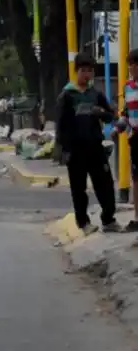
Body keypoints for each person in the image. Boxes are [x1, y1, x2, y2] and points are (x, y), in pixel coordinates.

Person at [56, 52, 120, 234]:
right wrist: (64, 149)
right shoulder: (67, 96)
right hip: (75, 150)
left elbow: (110, 117)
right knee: (79, 189)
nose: (87, 75)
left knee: (105, 185)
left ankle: (108, 219)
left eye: (90, 71)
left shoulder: (95, 95)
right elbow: (61, 126)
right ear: (77, 71)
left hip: (95, 147)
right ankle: (83, 223)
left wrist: (101, 113)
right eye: (83, 71)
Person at [115, 49, 138, 232]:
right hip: (135, 139)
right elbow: (125, 114)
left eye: (134, 64)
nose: (132, 68)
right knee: (136, 179)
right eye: (130, 64)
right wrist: (118, 128)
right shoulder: (128, 87)